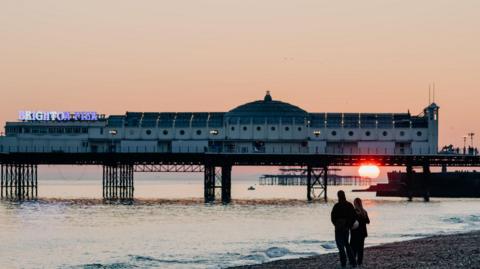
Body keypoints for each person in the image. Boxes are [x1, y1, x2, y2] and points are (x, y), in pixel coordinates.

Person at [331, 190, 357, 268]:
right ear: (344, 195)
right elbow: (354, 216)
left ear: (338, 196)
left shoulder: (337, 206)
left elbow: (332, 217)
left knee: (340, 246)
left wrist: (336, 224)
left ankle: (343, 263)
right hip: (346, 228)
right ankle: (353, 262)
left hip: (338, 228)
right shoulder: (349, 205)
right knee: (347, 244)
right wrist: (349, 225)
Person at [350, 198, 370, 267]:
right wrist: (363, 219)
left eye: (354, 202)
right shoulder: (364, 211)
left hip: (355, 232)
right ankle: (359, 262)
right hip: (362, 233)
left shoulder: (353, 211)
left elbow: (351, 221)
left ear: (355, 203)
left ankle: (354, 262)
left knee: (353, 247)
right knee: (360, 248)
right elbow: (368, 221)